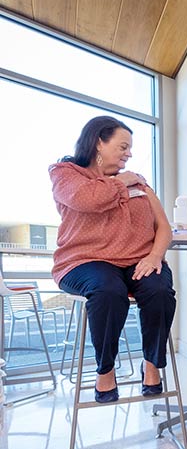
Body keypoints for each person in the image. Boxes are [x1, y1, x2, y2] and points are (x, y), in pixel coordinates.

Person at [50, 116, 175, 403]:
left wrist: (155, 255)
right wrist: (121, 183)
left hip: (137, 260)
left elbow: (163, 227)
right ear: (98, 143)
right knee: (108, 291)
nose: (129, 153)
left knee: (158, 291)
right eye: (123, 146)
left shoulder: (138, 184)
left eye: (129, 148)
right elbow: (88, 200)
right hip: (84, 261)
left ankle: (152, 363)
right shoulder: (66, 174)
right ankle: (105, 370)